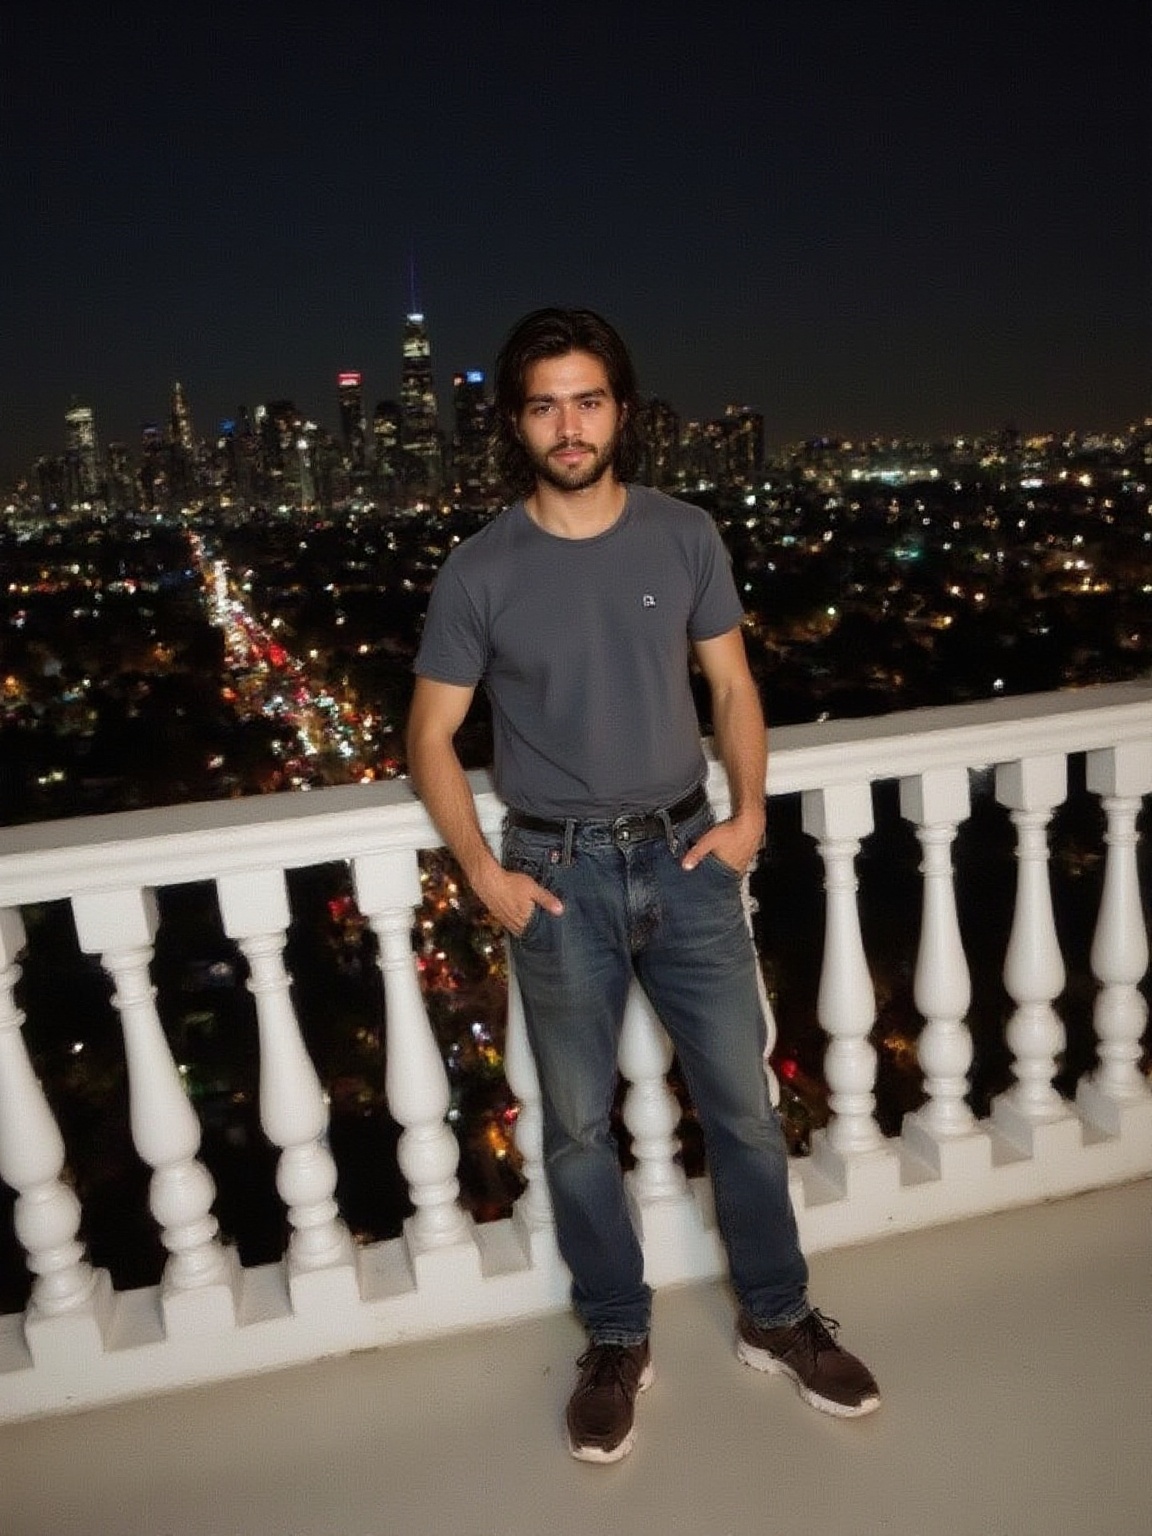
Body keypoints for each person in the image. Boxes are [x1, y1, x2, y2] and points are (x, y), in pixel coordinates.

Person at [406, 307, 879, 1463]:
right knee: (573, 1131)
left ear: (622, 408)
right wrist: (481, 869)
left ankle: (775, 1317)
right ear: (516, 424)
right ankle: (617, 1335)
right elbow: (429, 735)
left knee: (748, 1115)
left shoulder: (684, 534)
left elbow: (733, 685)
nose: (569, 425)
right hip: (554, 875)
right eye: (544, 404)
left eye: (589, 399)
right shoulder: (482, 569)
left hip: (686, 858)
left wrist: (750, 812)